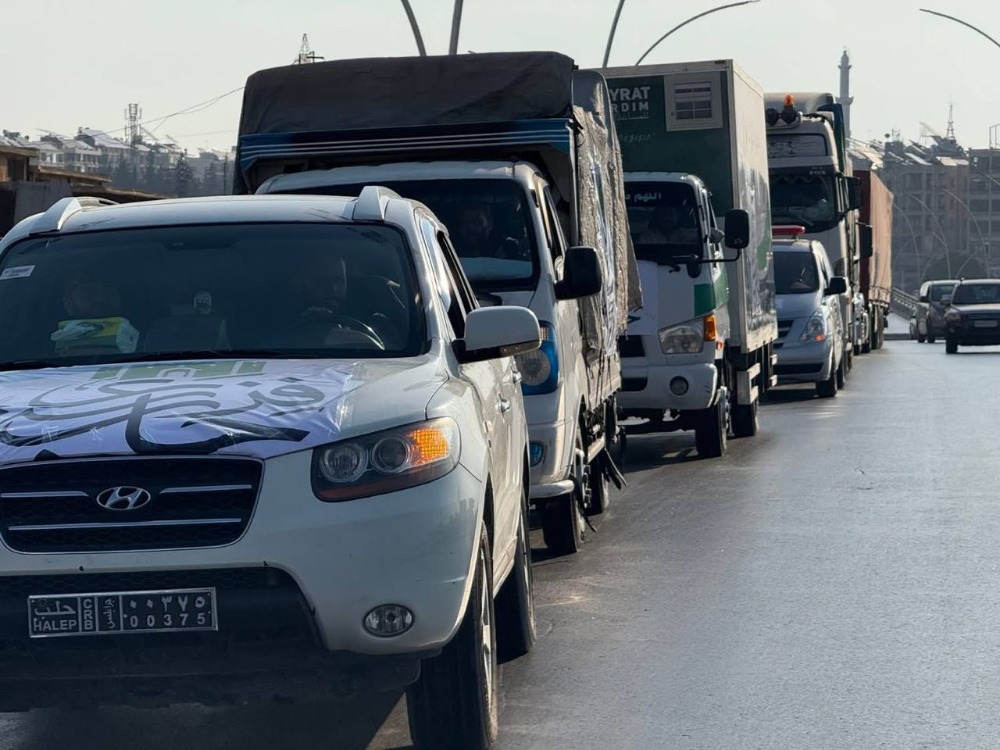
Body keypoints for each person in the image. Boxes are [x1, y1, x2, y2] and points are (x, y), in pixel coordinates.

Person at [285, 252, 404, 348]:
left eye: (338, 280)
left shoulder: (374, 312)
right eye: (320, 281)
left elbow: (395, 356)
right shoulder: (277, 317)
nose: (332, 289)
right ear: (299, 283)